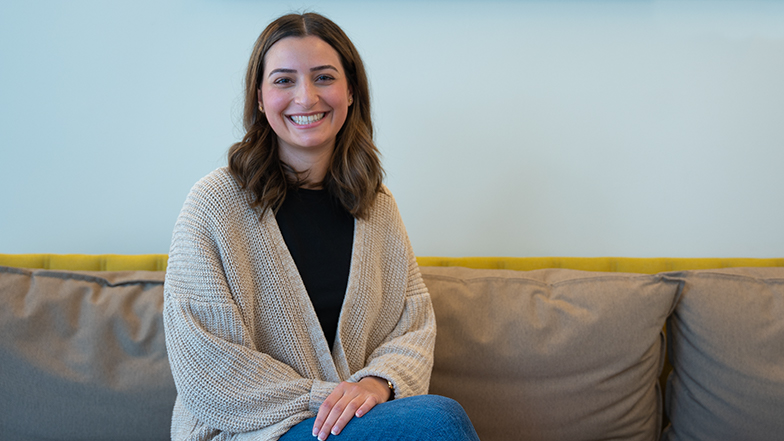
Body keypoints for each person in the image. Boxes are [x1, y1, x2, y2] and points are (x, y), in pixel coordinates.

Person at [163, 12, 480, 441]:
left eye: (324, 77)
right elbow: (205, 363)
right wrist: (327, 398)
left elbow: (412, 325)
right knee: (437, 421)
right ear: (259, 98)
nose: (306, 97)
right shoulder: (214, 205)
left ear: (350, 92)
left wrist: (378, 383)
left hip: (353, 425)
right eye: (283, 80)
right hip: (250, 431)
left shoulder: (377, 206)